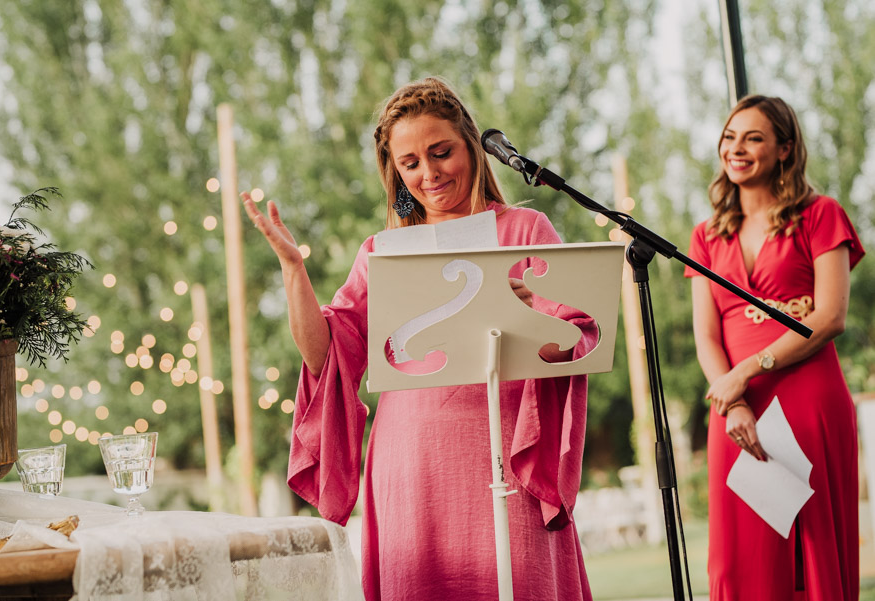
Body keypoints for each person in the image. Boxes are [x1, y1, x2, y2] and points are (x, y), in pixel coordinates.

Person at [243, 77, 598, 600]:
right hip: (411, 467)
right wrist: (295, 271)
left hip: (506, 458)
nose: (429, 174)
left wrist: (533, 319)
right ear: (396, 173)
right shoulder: (383, 252)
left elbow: (577, 339)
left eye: (441, 152)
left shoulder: (525, 229)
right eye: (410, 163)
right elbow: (328, 355)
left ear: (473, 148)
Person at [685, 95, 864, 600]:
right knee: (740, 559)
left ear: (785, 149)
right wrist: (735, 396)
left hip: (808, 397)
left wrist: (750, 369)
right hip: (736, 409)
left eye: (753, 137)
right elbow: (706, 334)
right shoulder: (705, 237)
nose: (735, 148)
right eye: (729, 136)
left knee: (813, 547)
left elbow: (830, 317)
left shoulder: (820, 214)